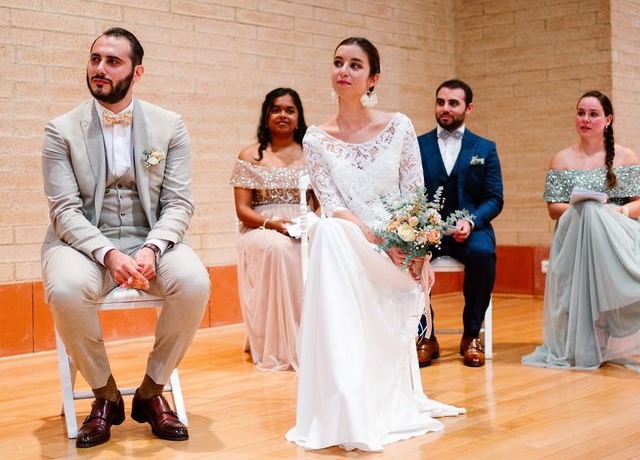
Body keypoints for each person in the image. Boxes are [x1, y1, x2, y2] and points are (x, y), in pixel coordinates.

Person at [285, 37, 465, 452]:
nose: (343, 71)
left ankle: (370, 397)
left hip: (400, 249)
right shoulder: (315, 138)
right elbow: (332, 205)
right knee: (329, 231)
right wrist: (377, 240)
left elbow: (415, 195)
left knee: (331, 235)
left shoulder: (398, 126)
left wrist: (419, 249)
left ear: (373, 78)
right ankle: (344, 399)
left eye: (354, 65)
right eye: (337, 63)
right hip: (355, 241)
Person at [41, 28, 210, 448]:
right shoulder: (60, 130)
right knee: (64, 288)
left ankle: (152, 391)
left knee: (194, 282)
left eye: (112, 61)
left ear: (137, 72)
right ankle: (106, 395)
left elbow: (178, 203)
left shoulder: (170, 125)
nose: (100, 68)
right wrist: (109, 253)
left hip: (150, 237)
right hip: (82, 242)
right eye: (95, 58)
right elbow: (64, 211)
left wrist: (154, 247)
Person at [523, 91, 640, 370]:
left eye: (593, 114)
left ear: (607, 119)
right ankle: (585, 338)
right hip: (574, 236)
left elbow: (638, 203)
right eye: (581, 113)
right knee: (587, 210)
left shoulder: (625, 156)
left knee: (593, 211)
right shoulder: (561, 159)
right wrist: (588, 211)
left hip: (619, 233)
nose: (585, 119)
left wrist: (611, 212)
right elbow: (554, 210)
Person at [416, 79, 504, 368]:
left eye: (453, 103)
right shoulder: (417, 146)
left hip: (471, 228)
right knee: (408, 257)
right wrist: (421, 221)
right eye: (441, 102)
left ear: (468, 107)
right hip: (428, 230)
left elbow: (494, 197)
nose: (445, 108)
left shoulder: (485, 148)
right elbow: (407, 190)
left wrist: (472, 220)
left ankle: (471, 334)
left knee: (483, 254)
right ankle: (426, 335)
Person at [230, 87, 314, 372]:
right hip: (260, 227)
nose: (282, 115)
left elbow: (319, 203)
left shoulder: (311, 154)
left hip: (302, 224)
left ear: (299, 117)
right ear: (266, 115)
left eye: (290, 110)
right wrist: (273, 225)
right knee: (280, 248)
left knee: (323, 244)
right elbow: (243, 211)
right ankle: (279, 345)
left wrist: (310, 223)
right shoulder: (250, 155)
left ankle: (314, 339)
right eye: (276, 109)